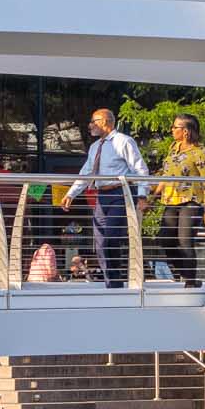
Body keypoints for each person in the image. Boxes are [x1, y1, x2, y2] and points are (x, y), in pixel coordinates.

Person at [57, 108, 150, 288]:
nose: (90, 125)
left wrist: (142, 195)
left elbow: (140, 169)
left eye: (94, 121)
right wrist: (71, 194)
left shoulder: (124, 141)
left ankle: (115, 282)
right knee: (99, 242)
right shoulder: (95, 147)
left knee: (111, 239)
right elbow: (86, 173)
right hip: (102, 196)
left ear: (105, 121)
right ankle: (110, 281)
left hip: (120, 194)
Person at [148, 112, 205, 289]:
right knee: (165, 239)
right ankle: (186, 274)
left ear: (186, 131)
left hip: (191, 202)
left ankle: (190, 281)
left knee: (185, 240)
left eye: (175, 127)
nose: (172, 130)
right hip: (171, 201)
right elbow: (166, 176)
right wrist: (153, 198)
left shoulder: (200, 153)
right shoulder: (174, 148)